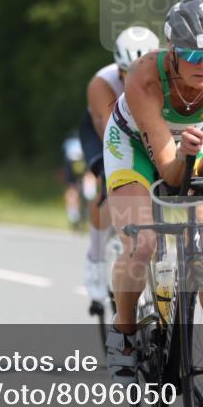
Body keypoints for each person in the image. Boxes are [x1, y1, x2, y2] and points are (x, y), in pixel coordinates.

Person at [103, 0, 203, 405]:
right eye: (191, 54)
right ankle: (125, 336)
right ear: (172, 51)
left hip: (194, 143)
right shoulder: (144, 78)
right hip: (134, 143)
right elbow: (170, 174)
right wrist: (186, 156)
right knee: (143, 242)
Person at [80, 26, 160, 314]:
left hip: (147, 132)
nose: (132, 79)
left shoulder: (165, 76)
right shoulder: (101, 83)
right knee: (107, 185)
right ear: (118, 67)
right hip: (107, 130)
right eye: (126, 72)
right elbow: (108, 134)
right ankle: (95, 257)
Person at [60, 135, 93, 227]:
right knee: (89, 174)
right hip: (83, 159)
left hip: (70, 161)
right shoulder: (88, 137)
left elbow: (63, 156)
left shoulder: (68, 140)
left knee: (72, 187)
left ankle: (73, 215)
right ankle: (90, 193)